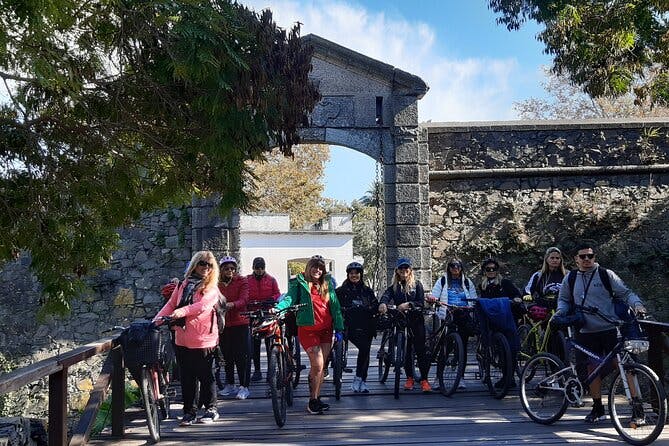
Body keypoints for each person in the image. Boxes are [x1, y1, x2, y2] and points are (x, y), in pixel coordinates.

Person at [557, 242, 646, 423]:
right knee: (591, 369)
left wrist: (636, 304)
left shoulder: (606, 274)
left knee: (627, 367)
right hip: (584, 331)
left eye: (590, 256)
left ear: (595, 257)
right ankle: (597, 408)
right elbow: (564, 300)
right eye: (583, 256)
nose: (587, 259)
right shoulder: (571, 278)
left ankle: (637, 407)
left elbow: (625, 292)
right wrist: (560, 312)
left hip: (611, 329)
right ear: (576, 260)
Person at [153, 251, 221, 425]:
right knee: (187, 377)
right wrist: (156, 321)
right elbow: (171, 304)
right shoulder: (183, 285)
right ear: (195, 265)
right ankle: (189, 412)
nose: (206, 267)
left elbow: (202, 306)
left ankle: (210, 409)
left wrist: (181, 312)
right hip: (182, 337)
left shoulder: (212, 288)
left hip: (203, 338)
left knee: (206, 376)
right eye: (202, 263)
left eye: (210, 265)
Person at [275, 255, 344, 414]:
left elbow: (335, 306)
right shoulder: (299, 283)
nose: (318, 270)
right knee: (318, 364)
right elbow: (289, 299)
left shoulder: (327, 284)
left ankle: (316, 398)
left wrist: (339, 328)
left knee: (320, 367)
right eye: (315, 266)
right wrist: (278, 308)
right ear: (308, 267)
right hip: (308, 330)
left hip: (326, 330)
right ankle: (312, 400)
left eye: (321, 268)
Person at [378, 257, 431, 393]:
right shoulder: (394, 287)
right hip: (401, 321)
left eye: (406, 268)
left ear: (410, 270)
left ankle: (424, 379)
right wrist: (383, 304)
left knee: (420, 350)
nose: (403, 270)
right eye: (401, 268)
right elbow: (386, 295)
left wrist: (409, 304)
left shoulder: (417, 285)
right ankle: (409, 378)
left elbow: (420, 302)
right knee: (406, 351)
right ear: (397, 270)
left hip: (416, 320)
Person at [430, 257, 478, 389]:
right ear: (449, 268)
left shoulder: (467, 282)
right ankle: (438, 378)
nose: (455, 269)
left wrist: (472, 306)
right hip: (448, 314)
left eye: (458, 266)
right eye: (452, 266)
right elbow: (435, 294)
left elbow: (473, 298)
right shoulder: (443, 280)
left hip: (463, 314)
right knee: (445, 347)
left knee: (462, 347)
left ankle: (460, 377)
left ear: (461, 268)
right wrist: (433, 298)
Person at [335, 261, 378, 393]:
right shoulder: (341, 291)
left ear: (361, 274)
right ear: (348, 275)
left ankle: (361, 379)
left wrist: (371, 308)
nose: (354, 275)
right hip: (348, 325)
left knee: (365, 350)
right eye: (351, 273)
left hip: (365, 325)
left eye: (357, 273)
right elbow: (334, 306)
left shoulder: (367, 291)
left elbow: (375, 305)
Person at [217, 255, 251, 400]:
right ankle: (230, 383)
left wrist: (231, 305)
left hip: (240, 322)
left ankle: (244, 386)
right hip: (223, 324)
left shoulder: (242, 281)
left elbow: (244, 299)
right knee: (227, 355)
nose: (230, 271)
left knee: (241, 356)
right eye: (226, 268)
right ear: (221, 270)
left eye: (232, 268)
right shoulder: (217, 284)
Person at [246, 257, 281, 382]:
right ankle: (257, 370)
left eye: (261, 268)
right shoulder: (247, 280)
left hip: (267, 313)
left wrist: (272, 299)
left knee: (269, 343)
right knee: (255, 344)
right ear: (253, 268)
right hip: (254, 313)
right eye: (257, 268)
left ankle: (270, 371)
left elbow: (278, 293)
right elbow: (244, 294)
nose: (259, 270)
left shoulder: (271, 280)